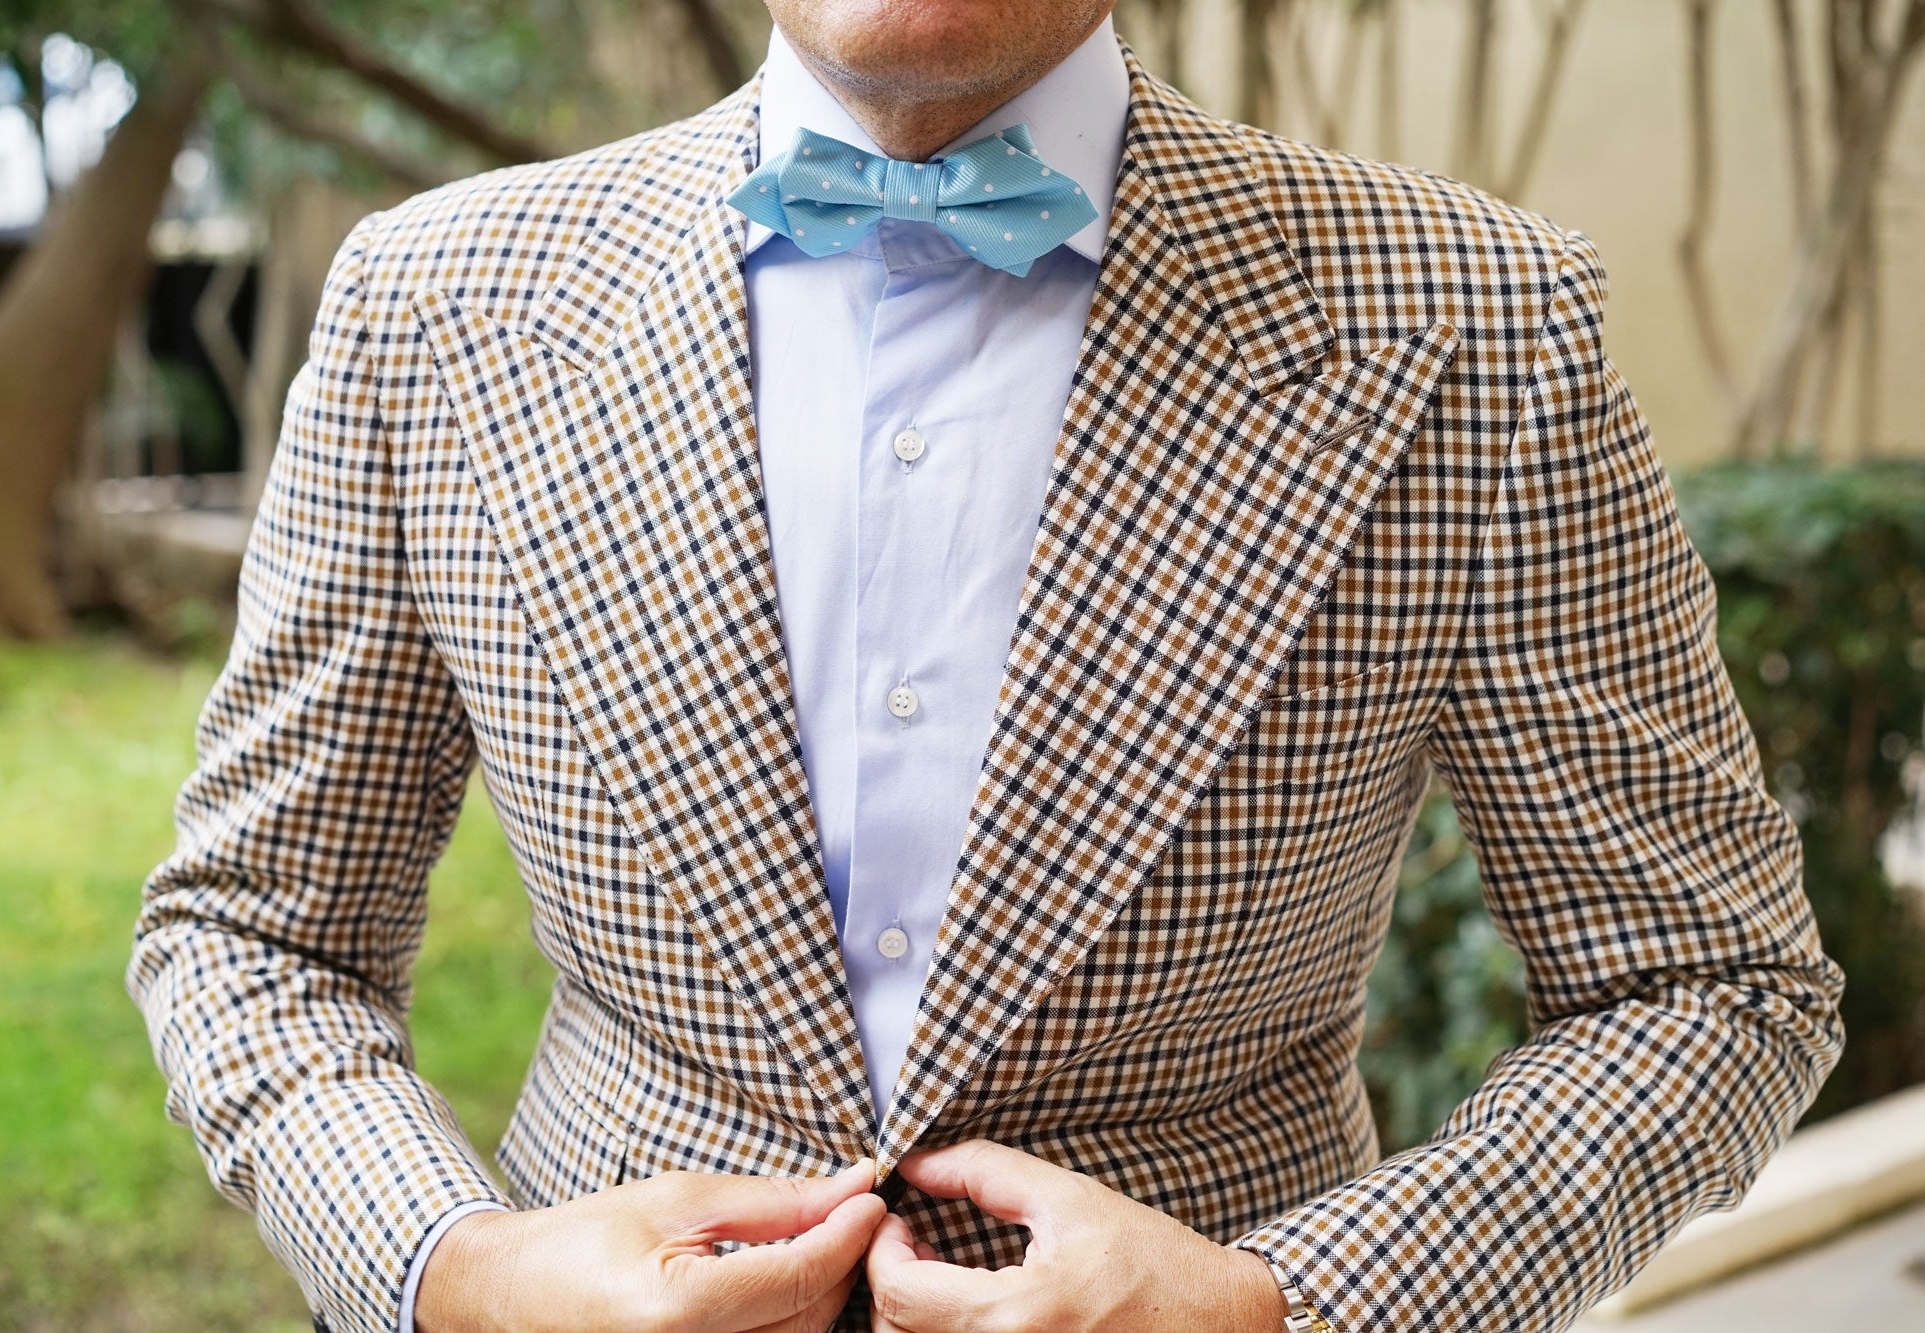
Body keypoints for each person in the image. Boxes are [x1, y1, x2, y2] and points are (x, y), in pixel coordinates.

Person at [127, 2, 1846, 1330]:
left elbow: (1709, 986)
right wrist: (455, 1266)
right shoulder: (434, 309)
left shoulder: (1474, 321)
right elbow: (253, 934)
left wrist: (1295, 1302)